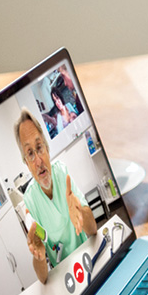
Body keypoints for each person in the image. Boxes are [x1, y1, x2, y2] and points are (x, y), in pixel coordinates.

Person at [15, 108, 96, 284]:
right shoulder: (30, 200)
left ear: (47, 148)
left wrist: (81, 211)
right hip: (64, 275)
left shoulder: (62, 173)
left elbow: (93, 230)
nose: (38, 161)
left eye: (39, 148)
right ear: (27, 164)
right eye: (30, 153)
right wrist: (39, 257)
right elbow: (43, 278)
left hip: (87, 257)